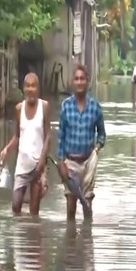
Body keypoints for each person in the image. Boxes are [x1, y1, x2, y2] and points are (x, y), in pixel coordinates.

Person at [58, 64, 106, 221]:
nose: (79, 82)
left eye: (82, 79)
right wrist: (61, 163)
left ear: (87, 82)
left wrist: (96, 150)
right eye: (76, 79)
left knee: (87, 205)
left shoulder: (95, 108)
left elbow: (102, 135)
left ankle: (87, 241)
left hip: (88, 162)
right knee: (71, 206)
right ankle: (70, 242)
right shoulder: (66, 106)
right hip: (70, 161)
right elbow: (61, 137)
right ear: (73, 82)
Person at [0, 73, 51, 216]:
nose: (30, 89)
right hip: (21, 166)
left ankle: (33, 236)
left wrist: (42, 162)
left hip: (37, 166)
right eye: (27, 85)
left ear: (38, 89)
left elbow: (48, 136)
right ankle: (22, 233)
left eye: (33, 85)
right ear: (23, 89)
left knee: (34, 212)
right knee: (16, 207)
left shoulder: (44, 107)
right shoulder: (18, 109)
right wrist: (7, 149)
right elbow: (17, 136)